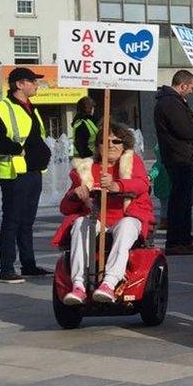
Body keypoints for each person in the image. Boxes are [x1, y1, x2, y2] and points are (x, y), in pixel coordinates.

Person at [52, 122, 154, 304]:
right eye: (104, 141)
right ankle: (79, 285)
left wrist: (117, 185)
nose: (110, 145)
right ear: (97, 146)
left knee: (127, 226)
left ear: (124, 144)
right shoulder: (86, 169)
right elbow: (65, 208)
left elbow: (141, 184)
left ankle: (109, 282)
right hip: (97, 218)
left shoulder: (132, 162)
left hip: (125, 217)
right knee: (80, 224)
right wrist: (75, 195)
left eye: (116, 141)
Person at [0, 67, 53, 282]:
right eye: (32, 81)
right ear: (19, 84)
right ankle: (6, 269)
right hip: (15, 173)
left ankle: (28, 265)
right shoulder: (3, 107)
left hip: (33, 172)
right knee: (12, 221)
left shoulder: (30, 107)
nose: (36, 84)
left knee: (27, 222)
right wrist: (17, 150)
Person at [154, 70, 193, 256]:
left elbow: (180, 126)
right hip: (179, 158)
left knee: (184, 201)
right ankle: (176, 242)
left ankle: (184, 239)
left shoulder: (172, 102)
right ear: (183, 85)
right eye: (191, 88)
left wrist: (192, 120)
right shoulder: (170, 102)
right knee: (180, 202)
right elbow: (186, 132)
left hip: (181, 157)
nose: (191, 92)